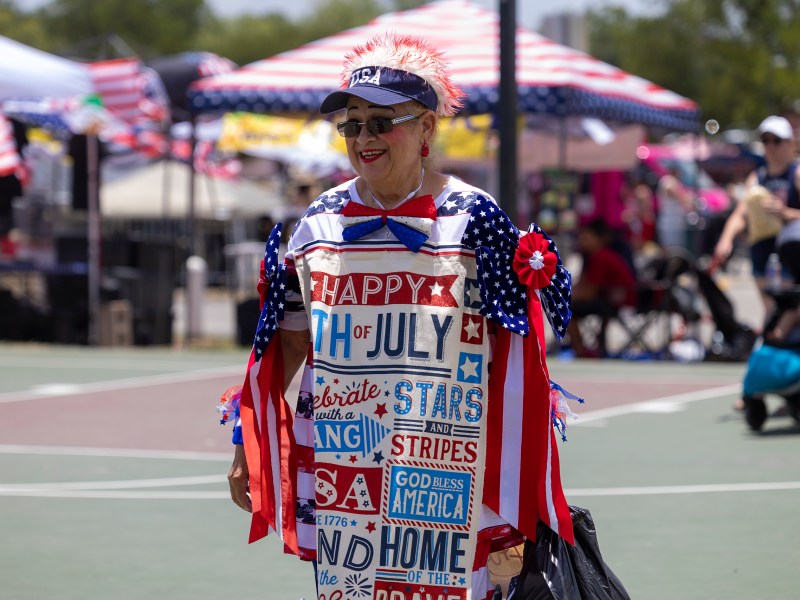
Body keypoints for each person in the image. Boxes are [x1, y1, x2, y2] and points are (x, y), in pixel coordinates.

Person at [219, 33, 577, 599]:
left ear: (427, 129)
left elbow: (515, 353)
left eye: (382, 122)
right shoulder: (319, 221)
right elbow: (287, 343)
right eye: (352, 124)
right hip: (347, 467)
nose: (365, 138)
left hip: (450, 469)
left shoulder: (473, 216)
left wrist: (516, 488)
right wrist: (247, 438)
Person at [713, 115, 800, 310]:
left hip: (790, 257)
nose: (770, 147)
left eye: (776, 141)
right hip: (762, 254)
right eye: (765, 141)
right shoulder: (757, 177)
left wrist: (786, 213)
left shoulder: (796, 174)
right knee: (770, 310)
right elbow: (740, 215)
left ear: (790, 143)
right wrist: (726, 239)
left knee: (787, 312)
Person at [565, 218, 638, 358]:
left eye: (586, 237)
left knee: (567, 310)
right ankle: (588, 347)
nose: (581, 241)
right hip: (609, 299)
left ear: (599, 239)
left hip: (622, 302)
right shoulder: (592, 256)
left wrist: (561, 298)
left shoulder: (601, 257)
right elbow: (583, 285)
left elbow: (589, 293)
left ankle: (580, 350)